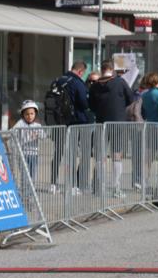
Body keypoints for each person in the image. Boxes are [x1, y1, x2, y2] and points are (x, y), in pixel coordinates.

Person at [89, 61, 135, 197]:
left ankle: (100, 187)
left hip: (101, 122)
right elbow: (130, 98)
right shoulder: (120, 82)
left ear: (102, 70)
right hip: (118, 122)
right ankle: (116, 188)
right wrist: (119, 107)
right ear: (112, 69)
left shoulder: (95, 86)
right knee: (117, 155)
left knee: (100, 156)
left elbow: (91, 105)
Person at [45, 61, 90, 194]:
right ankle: (71, 186)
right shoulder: (77, 83)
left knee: (57, 152)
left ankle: (53, 184)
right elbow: (83, 103)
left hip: (57, 122)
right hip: (74, 122)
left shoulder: (57, 80)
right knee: (71, 154)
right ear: (81, 71)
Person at [12, 100, 43, 183]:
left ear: (35, 114)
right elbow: (12, 131)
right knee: (25, 175)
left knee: (32, 175)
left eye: (32, 114)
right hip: (23, 154)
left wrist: (38, 135)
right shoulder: (20, 123)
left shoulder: (37, 125)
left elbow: (43, 136)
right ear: (23, 115)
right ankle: (25, 193)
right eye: (27, 114)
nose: (29, 116)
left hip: (34, 154)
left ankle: (30, 193)